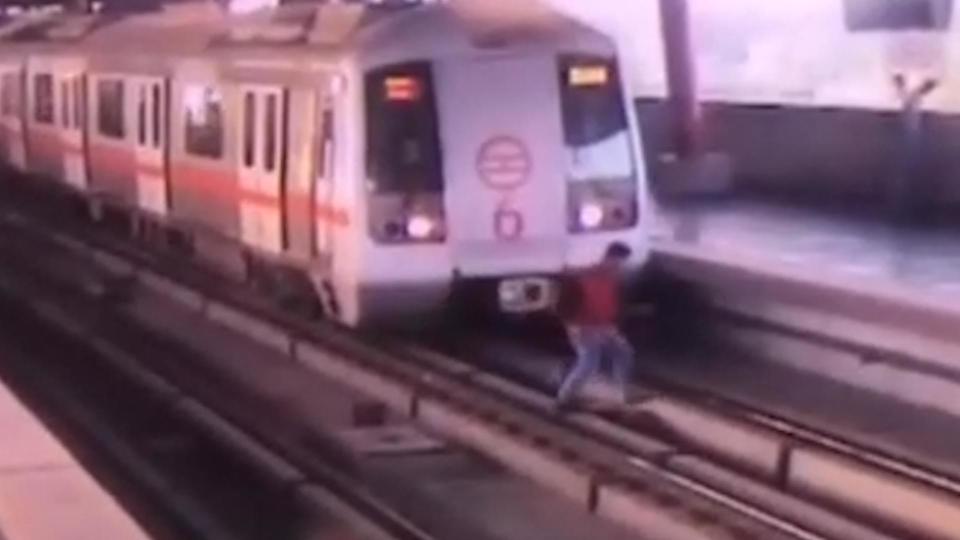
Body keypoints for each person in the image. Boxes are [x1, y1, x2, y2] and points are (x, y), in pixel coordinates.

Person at [554, 241, 635, 411]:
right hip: (584, 326)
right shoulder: (586, 276)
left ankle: (618, 395)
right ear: (610, 258)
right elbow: (564, 304)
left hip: (603, 325)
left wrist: (613, 326)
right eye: (619, 262)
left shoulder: (613, 279)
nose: (621, 267)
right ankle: (564, 399)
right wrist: (573, 325)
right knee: (589, 361)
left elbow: (613, 304)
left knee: (623, 352)